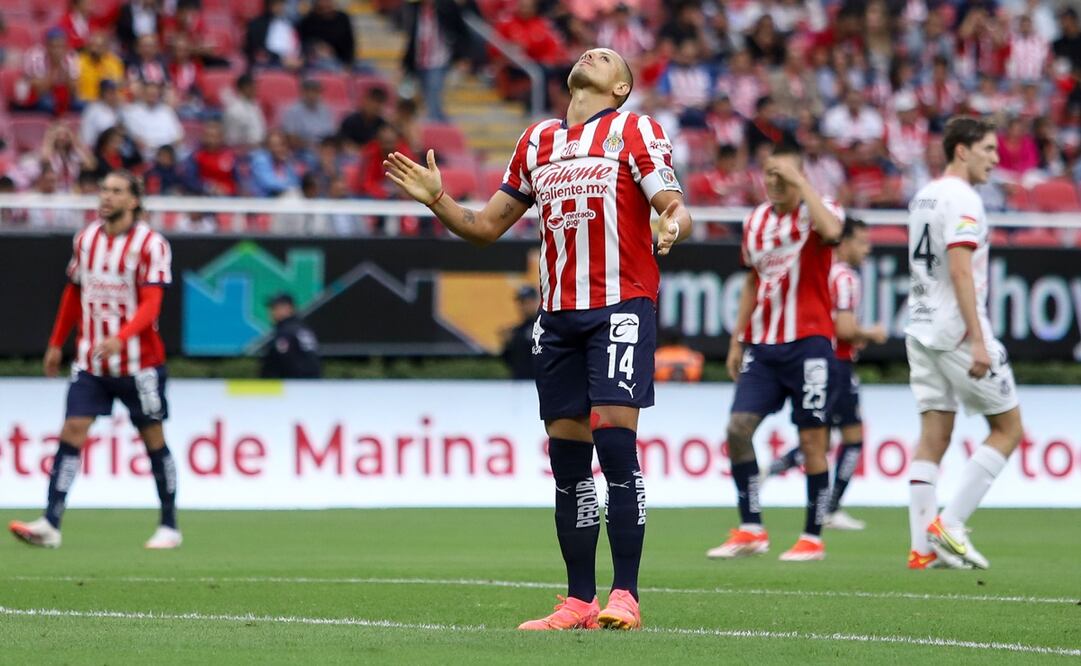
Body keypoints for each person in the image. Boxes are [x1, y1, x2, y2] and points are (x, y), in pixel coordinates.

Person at [384, 47, 691, 630]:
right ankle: (578, 600)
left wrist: (669, 223)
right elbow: (483, 228)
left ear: (621, 88)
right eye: (589, 51)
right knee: (567, 458)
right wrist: (439, 200)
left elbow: (672, 204)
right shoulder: (537, 141)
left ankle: (625, 595)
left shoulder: (635, 129)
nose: (593, 52)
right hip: (557, 318)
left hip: (618, 306)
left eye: (609, 57)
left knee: (616, 440)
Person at [8, 170, 181, 550]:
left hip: (139, 365)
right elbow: (74, 292)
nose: (106, 196)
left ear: (134, 200)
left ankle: (169, 524)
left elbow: (152, 302)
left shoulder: (152, 244)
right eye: (103, 190)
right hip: (91, 362)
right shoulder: (85, 240)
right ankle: (51, 522)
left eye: (116, 191)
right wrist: (56, 342)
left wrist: (122, 338)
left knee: (153, 439)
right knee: (72, 430)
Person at [705, 143, 844, 563]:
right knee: (737, 429)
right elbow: (752, 280)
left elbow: (834, 234)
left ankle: (812, 537)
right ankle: (751, 528)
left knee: (813, 440)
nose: (775, 181)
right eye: (769, 173)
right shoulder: (756, 222)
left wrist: (802, 181)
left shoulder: (820, 210)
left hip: (811, 343)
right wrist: (737, 338)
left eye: (783, 173)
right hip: (763, 347)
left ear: (800, 175)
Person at [905, 117, 1024, 571]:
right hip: (955, 330)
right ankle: (950, 524)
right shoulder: (963, 198)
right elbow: (959, 269)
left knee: (934, 436)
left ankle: (920, 549)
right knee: (1009, 428)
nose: (996, 158)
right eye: (988, 149)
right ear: (962, 150)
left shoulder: (925, 194)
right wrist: (978, 339)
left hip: (920, 325)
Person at [764, 217, 888, 530]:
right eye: (861, 241)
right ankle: (830, 508)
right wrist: (871, 334)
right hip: (838, 364)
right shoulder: (845, 277)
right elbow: (844, 328)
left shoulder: (820, 271)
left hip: (816, 360)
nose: (867, 248)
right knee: (852, 437)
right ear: (843, 243)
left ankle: (774, 468)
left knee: (823, 438)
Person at [261, 293, 321, 379]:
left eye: (275, 308)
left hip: (293, 386)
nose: (272, 312)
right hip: (310, 384)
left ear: (289, 308)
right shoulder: (301, 328)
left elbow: (282, 364)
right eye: (271, 308)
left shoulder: (286, 332)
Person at [280, 78, 336, 149]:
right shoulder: (292, 111)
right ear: (303, 92)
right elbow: (291, 139)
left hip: (325, 148)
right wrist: (313, 146)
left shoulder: (325, 109)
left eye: (316, 91)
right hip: (303, 149)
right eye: (309, 91)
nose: (312, 95)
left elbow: (332, 133)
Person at [500, 285, 541, 380]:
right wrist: (507, 344)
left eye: (526, 302)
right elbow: (510, 361)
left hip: (539, 382)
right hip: (519, 384)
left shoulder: (545, 327)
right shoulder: (517, 330)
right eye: (521, 303)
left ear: (536, 302)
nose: (522, 306)